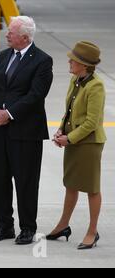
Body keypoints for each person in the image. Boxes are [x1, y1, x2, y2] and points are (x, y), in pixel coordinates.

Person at [0, 16, 53, 245]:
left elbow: (36, 95)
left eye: (10, 32)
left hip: (25, 133)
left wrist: (9, 114)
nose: (6, 35)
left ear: (25, 37)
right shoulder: (2, 56)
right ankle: (4, 226)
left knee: (26, 182)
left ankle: (27, 228)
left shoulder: (42, 61)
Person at [47, 41, 106, 250]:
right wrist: (61, 130)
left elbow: (92, 122)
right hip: (73, 139)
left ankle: (92, 231)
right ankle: (63, 225)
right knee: (70, 184)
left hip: (89, 143)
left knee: (91, 188)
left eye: (74, 60)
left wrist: (70, 139)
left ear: (84, 65)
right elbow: (70, 111)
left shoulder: (95, 86)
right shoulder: (76, 81)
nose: (70, 62)